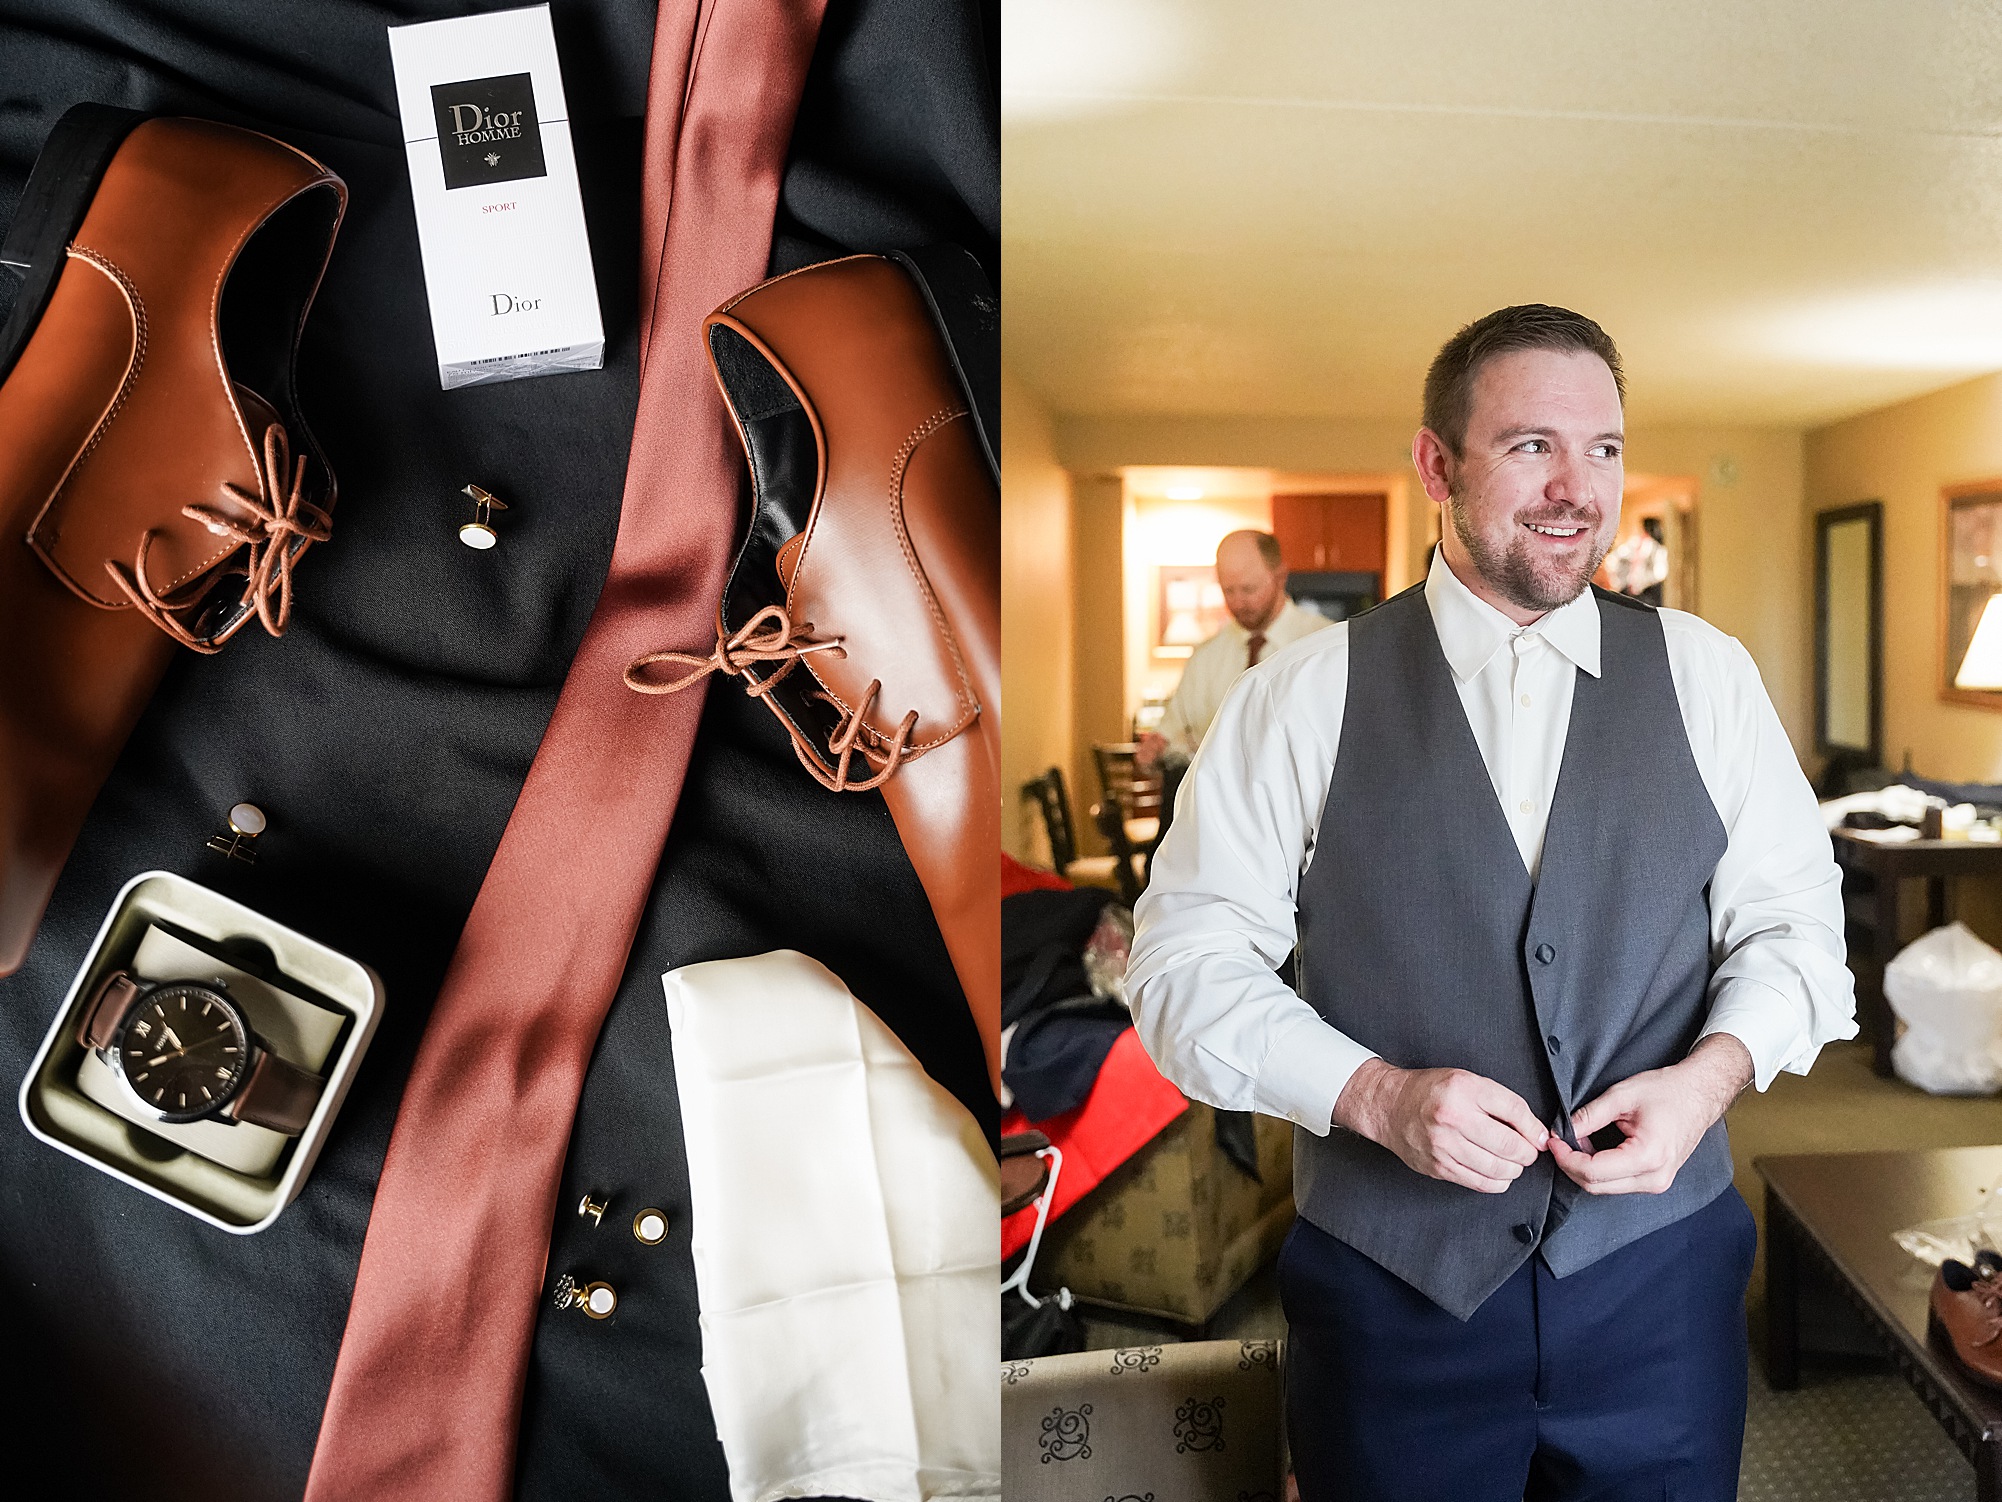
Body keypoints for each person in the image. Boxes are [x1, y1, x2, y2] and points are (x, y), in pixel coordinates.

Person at [1127, 304, 1855, 1501]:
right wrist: (1372, 1093)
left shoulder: (1709, 676)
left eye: (1603, 448)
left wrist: (1707, 1079)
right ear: (1436, 464)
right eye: (1530, 445)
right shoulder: (1299, 696)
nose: (1577, 487)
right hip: (1390, 1302)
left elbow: (1797, 935)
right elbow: (1177, 971)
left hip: (1660, 1289)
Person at [1137, 530, 1329, 767]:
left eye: (1249, 589)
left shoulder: (1322, 646)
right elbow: (1173, 733)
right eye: (1228, 590)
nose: (1237, 603)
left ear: (1280, 576)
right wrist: (1157, 747)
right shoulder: (1204, 659)